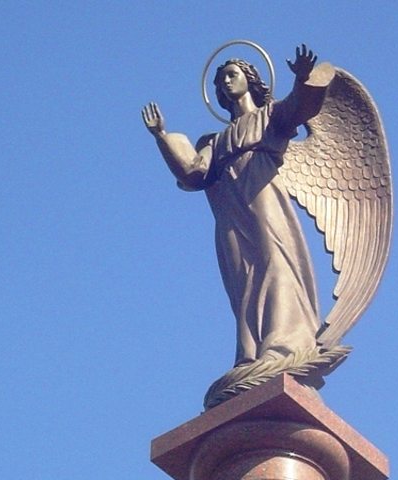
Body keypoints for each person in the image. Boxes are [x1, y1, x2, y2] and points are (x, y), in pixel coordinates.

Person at [142, 45, 334, 367]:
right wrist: (161, 136)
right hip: (231, 212)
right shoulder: (214, 142)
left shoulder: (270, 117)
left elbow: (301, 107)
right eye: (221, 81)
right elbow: (193, 174)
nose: (226, 82)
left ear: (250, 79)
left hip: (263, 198)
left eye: (232, 75)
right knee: (244, 278)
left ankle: (284, 346)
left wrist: (302, 78)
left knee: (275, 262)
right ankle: (250, 353)